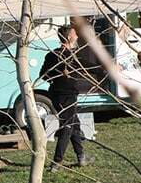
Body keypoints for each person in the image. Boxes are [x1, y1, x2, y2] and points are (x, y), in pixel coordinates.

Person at [39, 23, 99, 170]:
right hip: (65, 96)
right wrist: (61, 75)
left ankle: (81, 157)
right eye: (75, 34)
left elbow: (44, 76)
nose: (77, 36)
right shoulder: (63, 56)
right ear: (69, 37)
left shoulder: (61, 55)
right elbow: (44, 75)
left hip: (62, 95)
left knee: (74, 125)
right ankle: (56, 163)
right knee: (67, 127)